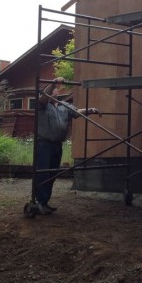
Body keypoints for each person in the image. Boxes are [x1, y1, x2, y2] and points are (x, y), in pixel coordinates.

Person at [34, 76, 99, 215]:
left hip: (57, 145)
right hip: (44, 145)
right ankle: (39, 202)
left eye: (56, 90)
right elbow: (43, 97)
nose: (55, 92)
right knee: (43, 173)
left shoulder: (63, 106)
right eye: (52, 90)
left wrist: (90, 110)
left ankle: (44, 202)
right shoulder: (42, 106)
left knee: (52, 174)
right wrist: (52, 82)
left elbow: (76, 111)